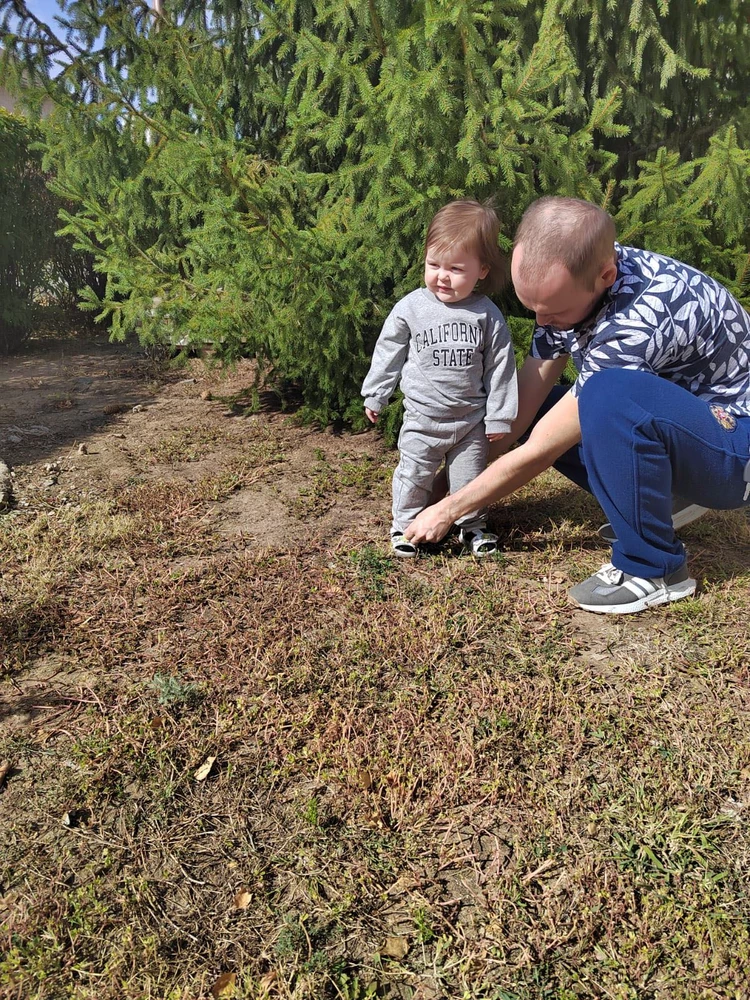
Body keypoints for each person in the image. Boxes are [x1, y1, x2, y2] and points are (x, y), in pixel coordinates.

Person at [403, 196, 750, 613]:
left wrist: (450, 508)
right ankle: (666, 500)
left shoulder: (638, 320)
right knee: (522, 404)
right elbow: (521, 410)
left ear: (605, 275)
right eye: (533, 308)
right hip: (686, 425)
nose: (543, 322)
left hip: (734, 449)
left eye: (554, 312)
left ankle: (653, 568)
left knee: (607, 396)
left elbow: (542, 447)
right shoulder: (576, 274)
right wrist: (444, 485)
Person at [362, 200, 518, 557]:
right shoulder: (412, 307)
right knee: (414, 476)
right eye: (434, 265)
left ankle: (473, 529)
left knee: (469, 481)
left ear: (482, 270)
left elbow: (500, 366)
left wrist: (500, 415)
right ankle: (403, 527)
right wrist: (376, 393)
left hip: (470, 423)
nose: (442, 276)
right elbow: (389, 351)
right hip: (422, 419)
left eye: (456, 268)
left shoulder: (487, 315)